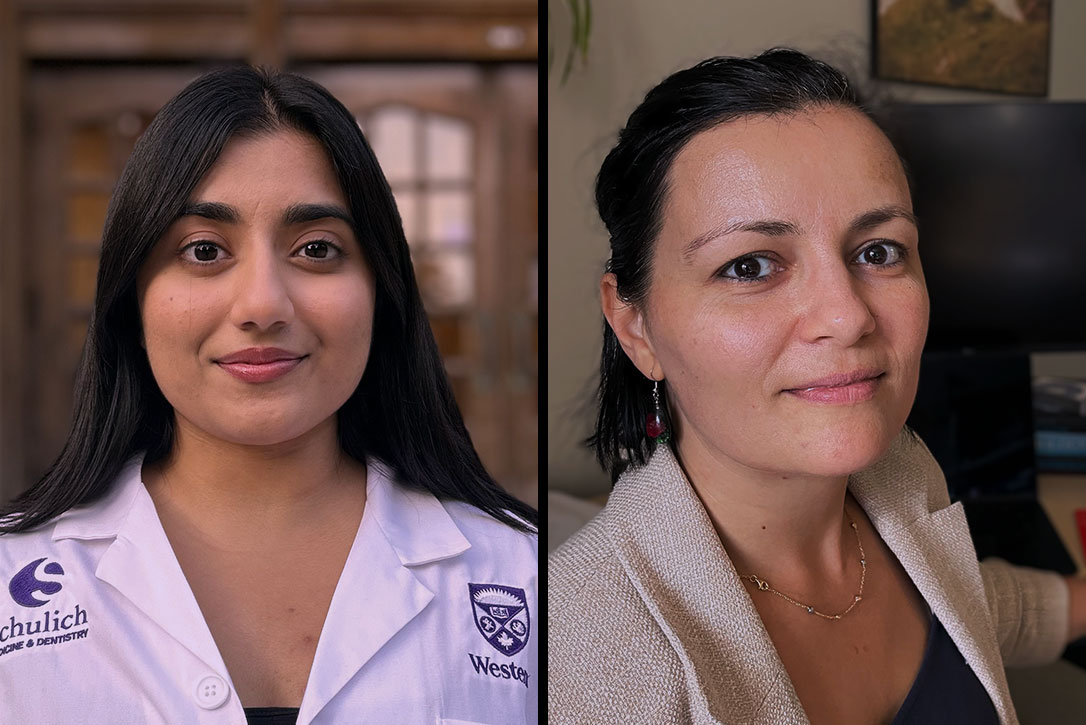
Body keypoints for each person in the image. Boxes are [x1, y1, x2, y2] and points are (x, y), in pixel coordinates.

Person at [548, 48, 1086, 724]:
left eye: (879, 251)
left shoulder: (900, 474)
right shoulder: (576, 662)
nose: (848, 315)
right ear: (636, 328)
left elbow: (967, 601)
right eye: (750, 266)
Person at [0, 67, 537, 724]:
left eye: (317, 249)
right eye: (204, 250)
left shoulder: (522, 573)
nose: (262, 304)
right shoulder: (13, 577)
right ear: (132, 298)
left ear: (381, 290)